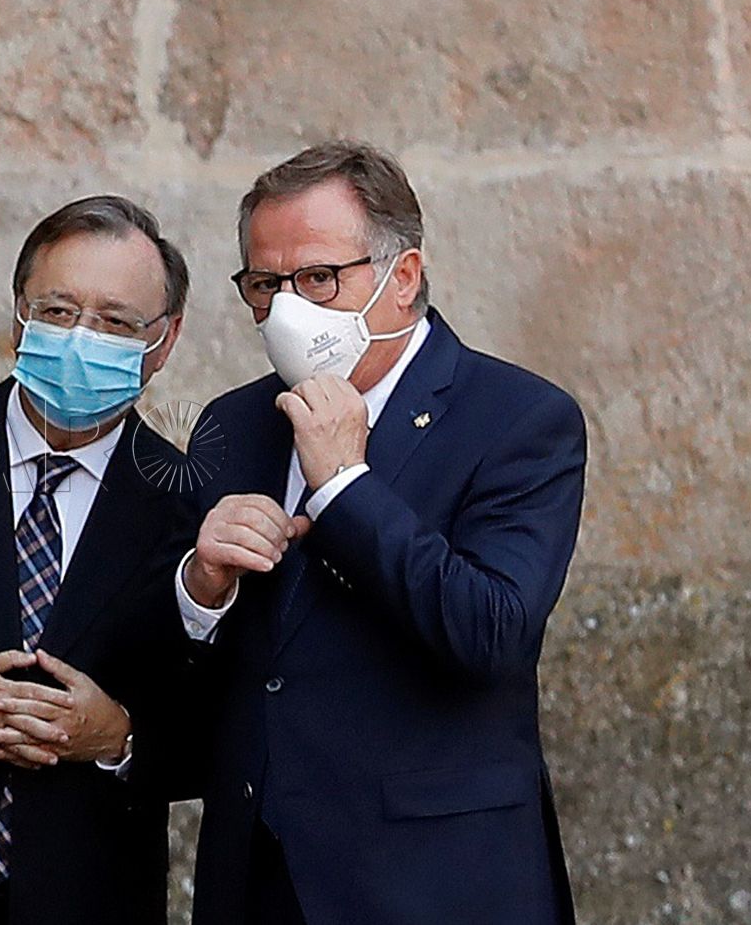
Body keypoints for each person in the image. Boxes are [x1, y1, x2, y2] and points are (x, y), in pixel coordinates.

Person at [175, 141, 586, 924]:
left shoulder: (519, 418)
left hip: (434, 881)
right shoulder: (234, 423)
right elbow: (215, 682)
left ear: (403, 277)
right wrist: (201, 589)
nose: (287, 309)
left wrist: (344, 486)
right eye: (265, 284)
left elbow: (490, 630)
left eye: (319, 278)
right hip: (261, 878)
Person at [0, 195, 200, 925]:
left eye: (115, 322)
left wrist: (120, 735)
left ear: (164, 340)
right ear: (18, 315)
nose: (81, 338)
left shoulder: (190, 506)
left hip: (93, 899)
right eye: (57, 311)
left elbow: (222, 716)